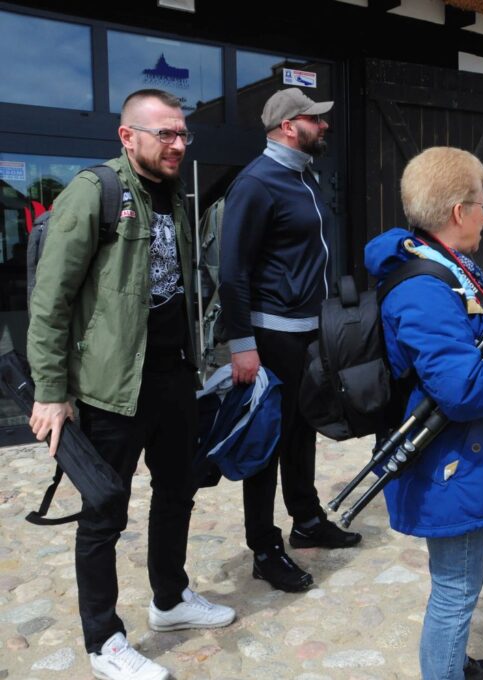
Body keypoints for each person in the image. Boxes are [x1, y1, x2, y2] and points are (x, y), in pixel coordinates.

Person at [27, 89, 235, 680]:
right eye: (165, 134)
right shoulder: (95, 192)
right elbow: (50, 301)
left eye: (182, 135)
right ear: (128, 137)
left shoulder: (174, 196)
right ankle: (104, 641)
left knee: (177, 491)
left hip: (171, 375)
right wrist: (50, 389)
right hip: (110, 386)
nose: (177, 144)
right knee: (104, 511)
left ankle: (168, 601)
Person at [364, 146, 483, 680]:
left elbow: (477, 334)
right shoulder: (425, 287)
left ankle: (451, 662)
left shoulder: (450, 270)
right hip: (446, 458)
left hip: (465, 450)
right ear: (458, 212)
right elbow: (463, 388)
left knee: (481, 550)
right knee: (454, 586)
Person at [218, 88, 362, 593]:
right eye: (314, 120)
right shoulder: (256, 183)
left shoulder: (304, 176)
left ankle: (306, 520)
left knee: (302, 431)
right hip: (271, 336)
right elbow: (232, 271)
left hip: (309, 333)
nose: (324, 126)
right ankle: (264, 547)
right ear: (286, 126)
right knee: (265, 443)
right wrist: (241, 344)